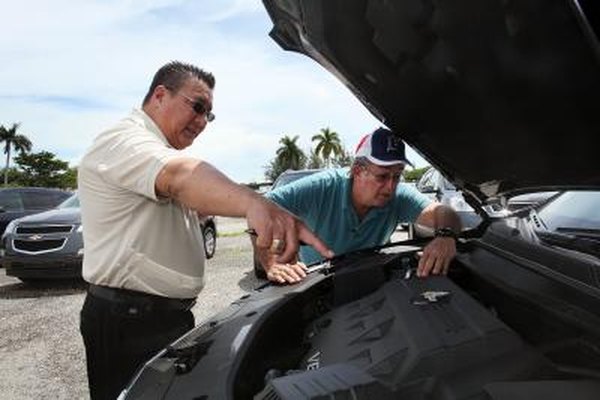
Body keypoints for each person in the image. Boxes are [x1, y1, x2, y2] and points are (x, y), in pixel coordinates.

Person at [77, 61, 333, 400]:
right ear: (159, 95)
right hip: (129, 321)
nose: (201, 122)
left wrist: (265, 250)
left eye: (208, 115)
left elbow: (205, 201)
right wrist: (257, 204)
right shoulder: (125, 140)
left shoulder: (156, 152)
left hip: (160, 318)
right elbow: (181, 177)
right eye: (197, 107)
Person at [257, 127, 462, 284]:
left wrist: (446, 236)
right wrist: (273, 260)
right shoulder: (320, 188)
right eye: (382, 176)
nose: (390, 187)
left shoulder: (398, 196)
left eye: (397, 176)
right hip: (317, 285)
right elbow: (261, 209)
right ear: (356, 170)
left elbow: (443, 212)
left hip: (371, 280)